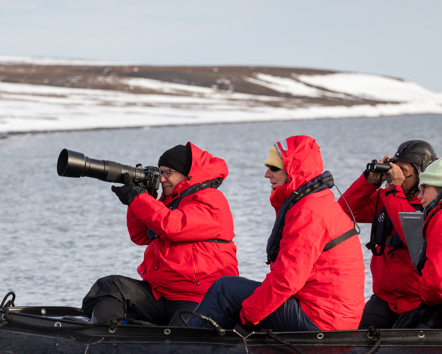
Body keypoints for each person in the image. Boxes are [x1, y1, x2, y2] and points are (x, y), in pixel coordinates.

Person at [187, 135, 365, 332]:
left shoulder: (309, 213)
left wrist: (248, 315)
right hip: (332, 315)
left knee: (225, 290)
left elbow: (287, 279)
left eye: (273, 168)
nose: (266, 174)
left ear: (293, 171)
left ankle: (186, 351)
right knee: (243, 294)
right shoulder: (316, 203)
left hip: (322, 321)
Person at [81, 142, 238, 326]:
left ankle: (130, 339)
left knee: (180, 338)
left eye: (168, 173)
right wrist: (139, 198)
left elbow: (173, 226)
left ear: (188, 174)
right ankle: (106, 338)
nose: (162, 179)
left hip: (198, 298)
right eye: (161, 172)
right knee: (111, 287)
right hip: (161, 294)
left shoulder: (211, 199)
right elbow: (140, 236)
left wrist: (138, 198)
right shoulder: (171, 200)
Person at [339, 140, 437, 328]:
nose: (395, 175)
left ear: (421, 172)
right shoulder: (388, 198)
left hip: (418, 300)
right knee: (355, 341)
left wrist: (394, 190)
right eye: (395, 168)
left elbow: (411, 233)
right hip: (385, 299)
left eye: (402, 170)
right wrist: (369, 182)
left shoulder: (429, 205)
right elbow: (345, 211)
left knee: (404, 350)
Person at [394, 158, 442, 328]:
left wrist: (427, 304)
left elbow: (435, 281)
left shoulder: (439, 217)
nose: (420, 195)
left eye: (425, 188)